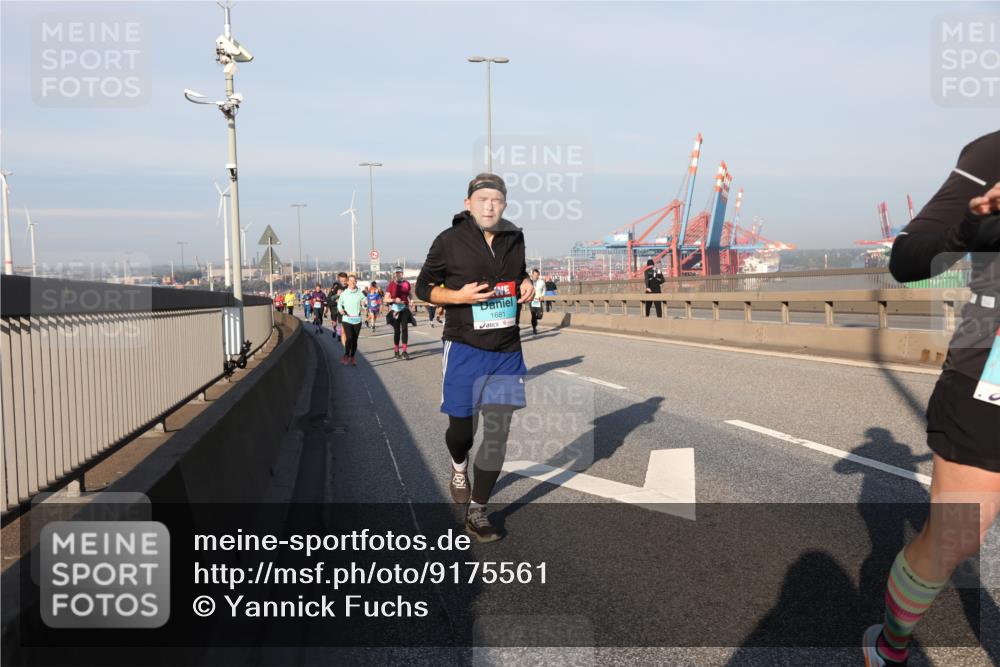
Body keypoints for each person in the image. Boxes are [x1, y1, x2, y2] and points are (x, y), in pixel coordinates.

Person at [861, 130, 1000, 667]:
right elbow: (909, 259)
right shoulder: (991, 153)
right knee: (954, 540)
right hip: (990, 370)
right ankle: (891, 645)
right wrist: (973, 224)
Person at [415, 173, 534, 542]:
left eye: (496, 199)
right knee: (463, 433)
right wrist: (458, 297)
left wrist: (527, 281)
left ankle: (478, 511)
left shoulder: (515, 237)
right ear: (468, 203)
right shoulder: (448, 241)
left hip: (506, 350)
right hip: (464, 348)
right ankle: (458, 464)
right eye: (482, 198)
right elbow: (423, 288)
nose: (489, 205)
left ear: (504, 204)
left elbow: (517, 274)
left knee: (497, 435)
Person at [337, 274, 366, 366]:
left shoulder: (360, 293)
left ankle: (352, 357)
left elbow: (365, 302)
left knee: (355, 339)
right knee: (349, 337)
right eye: (351, 280)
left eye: (354, 281)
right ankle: (346, 355)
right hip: (347, 319)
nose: (353, 282)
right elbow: (339, 304)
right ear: (348, 282)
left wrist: (365, 304)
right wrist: (341, 310)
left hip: (357, 319)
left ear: (356, 282)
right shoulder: (344, 293)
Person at [387, 267, 415, 360]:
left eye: (400, 273)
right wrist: (394, 299)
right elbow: (385, 299)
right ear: (394, 274)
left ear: (402, 274)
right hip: (395, 310)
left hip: (405, 309)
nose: (399, 274)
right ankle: (396, 351)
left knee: (404, 329)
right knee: (397, 331)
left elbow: (409, 293)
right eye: (397, 273)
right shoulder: (391, 284)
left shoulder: (406, 283)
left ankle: (404, 351)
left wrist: (411, 300)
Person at [528, 268, 547, 335]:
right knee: (533, 315)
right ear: (532, 275)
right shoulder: (529, 282)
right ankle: (534, 328)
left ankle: (535, 319)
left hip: (539, 301)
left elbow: (544, 289)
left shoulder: (541, 282)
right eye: (535, 275)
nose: (536, 276)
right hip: (531, 301)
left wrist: (542, 295)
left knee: (540, 316)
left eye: (537, 275)